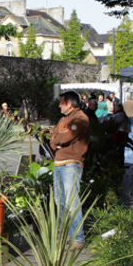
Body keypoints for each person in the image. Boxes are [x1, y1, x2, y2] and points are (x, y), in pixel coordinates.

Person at [50, 91, 89, 246]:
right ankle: (66, 234)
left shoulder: (80, 119)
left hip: (71, 163)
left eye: (62, 102)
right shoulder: (63, 119)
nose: (59, 105)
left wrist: (59, 139)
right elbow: (54, 137)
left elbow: (66, 136)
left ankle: (78, 238)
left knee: (71, 201)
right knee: (59, 200)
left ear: (70, 104)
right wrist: (57, 140)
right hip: (59, 163)